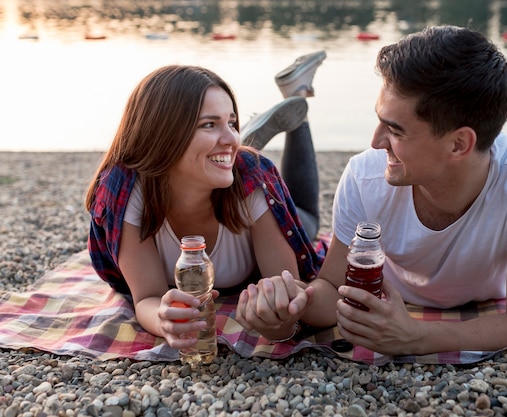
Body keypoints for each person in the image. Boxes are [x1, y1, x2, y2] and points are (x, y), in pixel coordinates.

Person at [236, 26, 507, 356]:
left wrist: (416, 338)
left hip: (492, 301)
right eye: (379, 120)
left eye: (395, 130)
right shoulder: (365, 178)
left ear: (458, 144)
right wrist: (291, 307)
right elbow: (333, 287)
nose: (375, 142)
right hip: (395, 299)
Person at [84, 50, 328, 350]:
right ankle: (225, 151)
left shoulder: (252, 178)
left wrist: (281, 317)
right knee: (239, 162)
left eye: (232, 123)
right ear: (163, 136)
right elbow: (146, 299)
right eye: (209, 124)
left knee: (308, 219)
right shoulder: (125, 189)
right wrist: (164, 321)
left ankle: (298, 104)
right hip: (227, 183)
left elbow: (288, 290)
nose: (232, 137)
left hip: (253, 196)